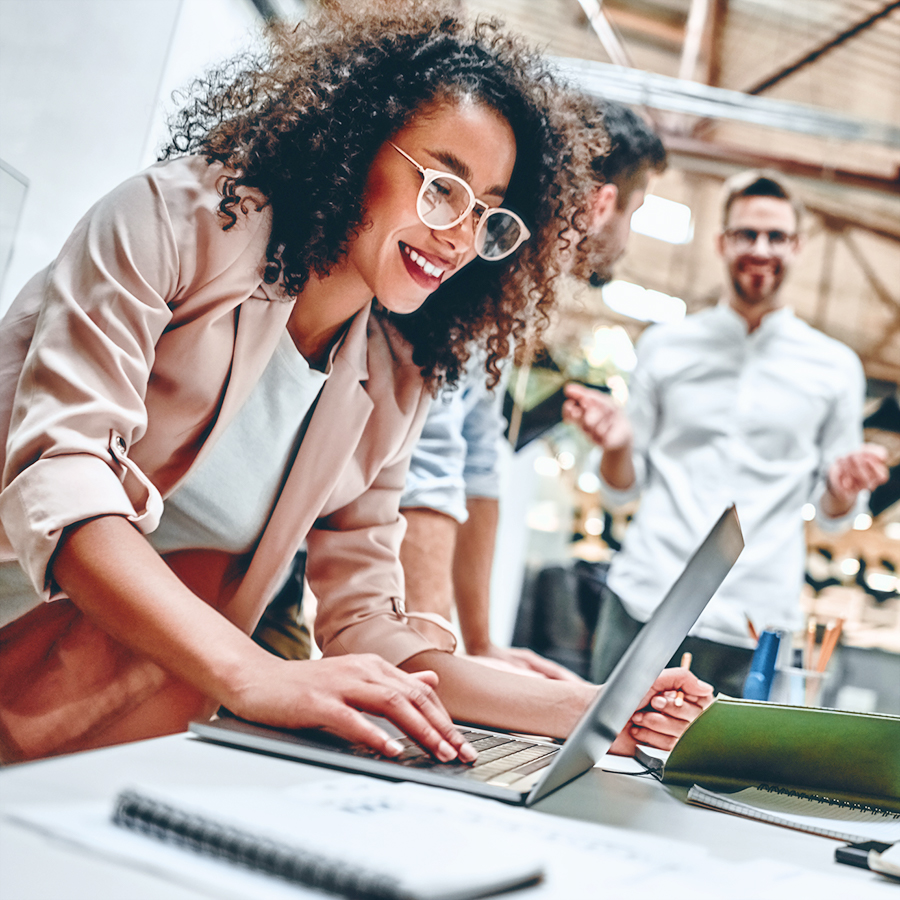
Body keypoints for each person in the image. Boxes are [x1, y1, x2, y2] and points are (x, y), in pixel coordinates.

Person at [0, 1, 710, 764]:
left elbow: (369, 624)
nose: (459, 238)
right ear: (354, 144)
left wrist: (596, 709)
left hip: (101, 705)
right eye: (443, 187)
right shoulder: (172, 223)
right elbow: (62, 479)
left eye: (488, 216)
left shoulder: (395, 375)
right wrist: (257, 674)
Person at [563, 169, 890, 697]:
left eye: (776, 236)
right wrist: (618, 446)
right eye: (746, 234)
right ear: (721, 242)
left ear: (797, 246)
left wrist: (842, 487)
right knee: (605, 745)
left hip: (756, 621)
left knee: (732, 757)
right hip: (647, 599)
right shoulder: (665, 346)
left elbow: (835, 517)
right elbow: (621, 488)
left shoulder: (836, 368)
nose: (761, 248)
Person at [397, 101, 667, 678]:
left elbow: (478, 460)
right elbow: (430, 461)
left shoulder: (514, 297)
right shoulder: (472, 273)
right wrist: (437, 660)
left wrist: (479, 644)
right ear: (602, 205)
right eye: (636, 211)